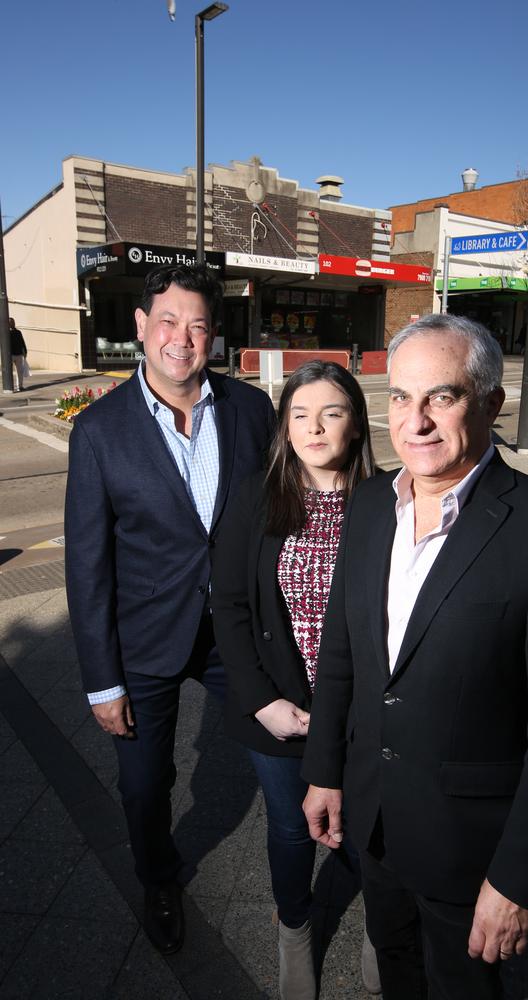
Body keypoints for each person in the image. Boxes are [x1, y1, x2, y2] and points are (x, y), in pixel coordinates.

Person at [302, 313, 528, 1000]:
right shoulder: (370, 509)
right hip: (375, 822)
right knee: (397, 970)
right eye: (401, 399)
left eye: (442, 397)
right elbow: (343, 655)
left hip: (472, 850)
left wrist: (519, 879)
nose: (416, 422)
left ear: (491, 404)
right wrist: (325, 770)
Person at [65, 263, 276, 956]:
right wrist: (103, 681)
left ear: (214, 336)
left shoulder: (250, 411)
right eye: (167, 321)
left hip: (236, 639)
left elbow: (283, 518)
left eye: (197, 325)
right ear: (139, 326)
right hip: (145, 643)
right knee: (144, 784)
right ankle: (159, 878)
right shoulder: (98, 431)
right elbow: (87, 567)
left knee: (289, 752)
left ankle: (308, 858)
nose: (181, 339)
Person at [211, 361, 378, 1000]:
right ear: (284, 425)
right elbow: (228, 605)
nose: (314, 427)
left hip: (361, 711)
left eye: (331, 412)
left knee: (364, 826)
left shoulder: (388, 501)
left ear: (357, 423)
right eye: (300, 414)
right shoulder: (256, 495)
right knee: (289, 830)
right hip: (280, 710)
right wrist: (262, 703)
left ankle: (381, 926)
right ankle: (294, 930)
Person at [9, 318, 28, 391]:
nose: (13, 323)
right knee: (9, 372)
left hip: (19, 354)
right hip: (10, 355)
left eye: (13, 322)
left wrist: (25, 352)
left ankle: (20, 386)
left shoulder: (18, 332)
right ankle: (10, 387)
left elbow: (22, 342)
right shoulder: (6, 333)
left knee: (20, 371)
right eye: (11, 322)